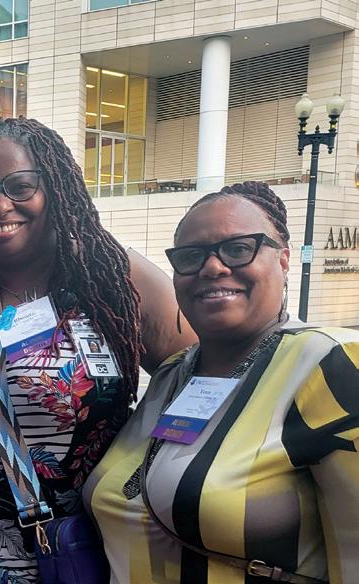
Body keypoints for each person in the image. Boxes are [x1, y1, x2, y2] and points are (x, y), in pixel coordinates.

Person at [0, 117, 196, 582]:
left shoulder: (112, 280)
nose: (0, 205)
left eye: (21, 186)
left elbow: (198, 381)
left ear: (55, 189)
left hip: (60, 562)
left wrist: (143, 485)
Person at [84, 181, 359, 583]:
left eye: (238, 248)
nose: (213, 268)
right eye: (191, 256)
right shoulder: (173, 374)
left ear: (284, 260)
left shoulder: (333, 365)